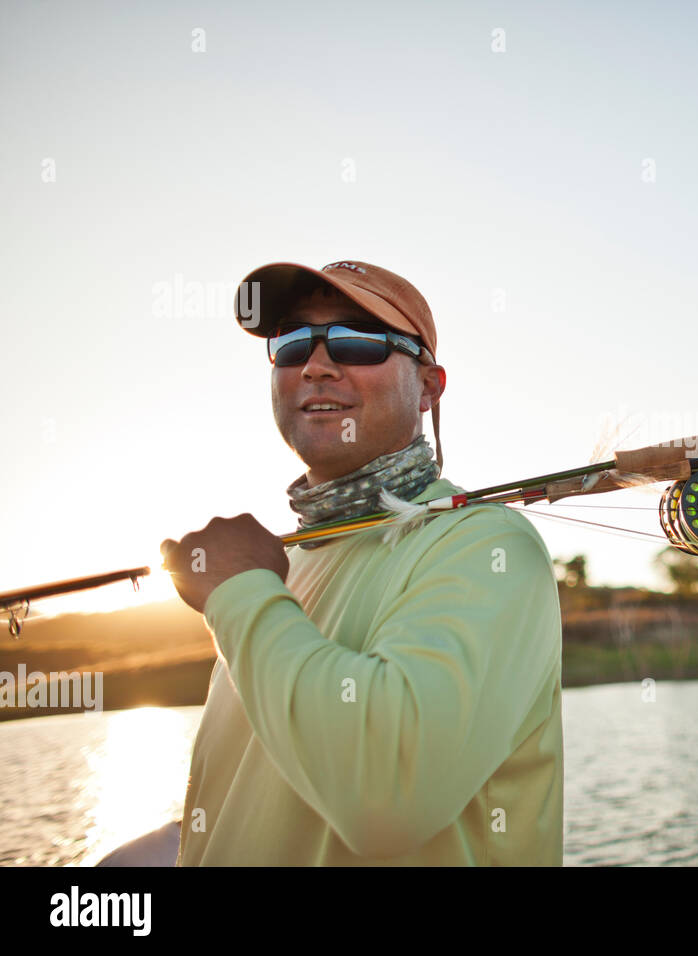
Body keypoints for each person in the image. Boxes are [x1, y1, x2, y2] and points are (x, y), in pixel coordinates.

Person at [158, 260, 564, 865]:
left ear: (430, 386)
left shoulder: (488, 546)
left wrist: (238, 592)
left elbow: (389, 795)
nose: (317, 365)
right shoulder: (278, 573)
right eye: (293, 344)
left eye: (358, 341)